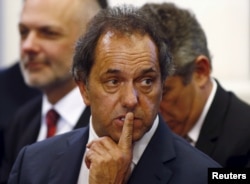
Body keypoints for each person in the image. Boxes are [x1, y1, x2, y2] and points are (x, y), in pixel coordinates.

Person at [8, 5, 220, 184]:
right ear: (84, 89)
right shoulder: (32, 163)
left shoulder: (202, 175)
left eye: (146, 81)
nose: (131, 99)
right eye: (113, 82)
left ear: (162, 86)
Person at [0, 0, 108, 183]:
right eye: (24, 32)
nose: (28, 46)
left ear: (93, 40)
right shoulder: (22, 122)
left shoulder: (112, 124)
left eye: (48, 33)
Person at [141, 2, 250, 167]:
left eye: (164, 92)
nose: (152, 110)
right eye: (144, 91)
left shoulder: (245, 138)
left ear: (200, 71)